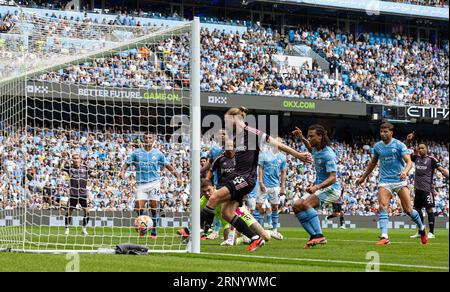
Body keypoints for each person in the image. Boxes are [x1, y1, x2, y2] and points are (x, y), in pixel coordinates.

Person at [200, 107, 312, 252]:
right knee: (226, 213)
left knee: (213, 197)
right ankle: (255, 238)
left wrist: (298, 155)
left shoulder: (253, 133)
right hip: (238, 178)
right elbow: (229, 155)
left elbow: (276, 143)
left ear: (235, 118)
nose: (227, 125)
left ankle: (195, 231)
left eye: (227, 121)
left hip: (246, 178)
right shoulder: (235, 137)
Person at [356, 123, 427, 245]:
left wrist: (405, 171)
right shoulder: (378, 147)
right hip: (385, 181)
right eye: (381, 131)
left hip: (399, 181)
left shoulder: (399, 145)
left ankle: (422, 228)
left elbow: (409, 162)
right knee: (383, 206)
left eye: (385, 131)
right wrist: (363, 177)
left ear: (391, 133)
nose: (383, 133)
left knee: (408, 210)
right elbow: (373, 163)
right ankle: (384, 236)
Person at [121, 133, 182, 238]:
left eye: (150, 138)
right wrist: (122, 172)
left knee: (154, 207)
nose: (147, 139)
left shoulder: (158, 153)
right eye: (145, 138)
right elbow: (127, 163)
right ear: (142, 140)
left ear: (153, 140)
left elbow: (168, 165)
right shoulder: (136, 153)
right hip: (141, 184)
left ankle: (154, 231)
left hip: (154, 183)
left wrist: (178, 176)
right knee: (138, 208)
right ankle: (142, 227)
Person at [292, 125, 341, 248]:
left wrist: (317, 187)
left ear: (320, 137)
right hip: (321, 188)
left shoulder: (328, 154)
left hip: (332, 189)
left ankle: (319, 235)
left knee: (306, 204)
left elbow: (333, 178)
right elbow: (310, 148)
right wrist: (301, 137)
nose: (310, 138)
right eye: (309, 136)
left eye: (312, 136)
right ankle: (314, 236)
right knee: (296, 206)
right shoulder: (316, 149)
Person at [406, 133, 449, 239]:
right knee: (417, 210)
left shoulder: (431, 159)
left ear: (427, 149)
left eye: (422, 148)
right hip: (418, 190)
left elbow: (442, 170)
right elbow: (406, 152)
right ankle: (421, 231)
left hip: (427, 189)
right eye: (419, 148)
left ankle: (431, 233)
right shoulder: (416, 158)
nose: (420, 150)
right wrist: (408, 141)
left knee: (429, 209)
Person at [256, 138, 287, 240]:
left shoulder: (282, 157)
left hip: (275, 186)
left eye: (281, 143)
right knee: (259, 207)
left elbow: (283, 172)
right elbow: (260, 169)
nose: (280, 144)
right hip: (264, 185)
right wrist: (260, 182)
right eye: (278, 142)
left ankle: (274, 230)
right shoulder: (264, 154)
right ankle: (258, 230)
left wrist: (283, 186)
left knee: (275, 207)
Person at [61, 153, 97, 236]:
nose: (76, 160)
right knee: (69, 211)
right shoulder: (69, 168)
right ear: (72, 160)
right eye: (74, 158)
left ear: (80, 159)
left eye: (77, 158)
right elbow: (60, 168)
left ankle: (84, 229)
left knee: (87, 211)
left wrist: (99, 173)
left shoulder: (85, 168)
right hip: (73, 193)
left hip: (82, 194)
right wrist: (63, 160)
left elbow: (93, 175)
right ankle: (67, 228)